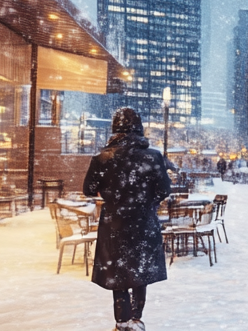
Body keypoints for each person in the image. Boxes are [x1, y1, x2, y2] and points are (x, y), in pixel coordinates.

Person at [84, 107, 172, 331]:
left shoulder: (102, 158)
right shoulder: (153, 156)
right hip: (143, 221)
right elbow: (164, 189)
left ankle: (122, 321)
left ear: (115, 127)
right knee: (139, 270)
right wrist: (146, 200)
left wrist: (111, 193)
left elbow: (88, 189)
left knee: (117, 271)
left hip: (115, 223)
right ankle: (136, 318)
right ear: (139, 128)